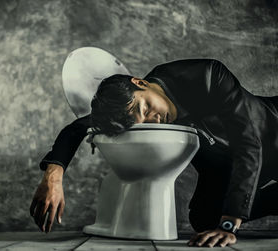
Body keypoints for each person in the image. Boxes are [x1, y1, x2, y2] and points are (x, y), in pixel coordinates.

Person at [29, 59, 278, 248]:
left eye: (145, 106)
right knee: (203, 219)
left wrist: (230, 222)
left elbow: (248, 143)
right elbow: (76, 128)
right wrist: (53, 176)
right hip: (225, 163)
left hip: (270, 136)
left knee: (220, 220)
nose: (153, 119)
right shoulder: (126, 109)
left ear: (141, 82)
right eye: (142, 120)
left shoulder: (207, 76)